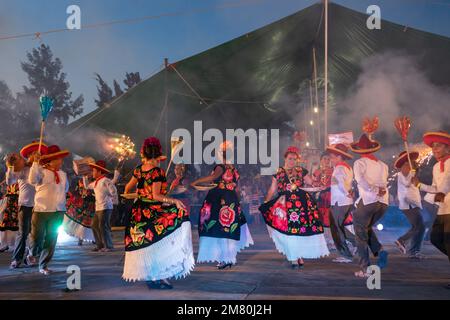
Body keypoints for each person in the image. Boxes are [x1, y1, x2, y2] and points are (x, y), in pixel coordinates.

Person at [122, 137, 194, 289]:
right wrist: (173, 201)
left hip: (138, 212)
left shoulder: (138, 169)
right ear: (157, 156)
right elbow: (156, 196)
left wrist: (137, 194)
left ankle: (151, 277)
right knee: (160, 244)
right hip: (153, 212)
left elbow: (127, 188)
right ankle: (159, 277)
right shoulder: (158, 172)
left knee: (150, 246)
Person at [260, 146, 329, 269]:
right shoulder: (278, 172)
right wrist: (266, 200)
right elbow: (272, 188)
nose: (292, 161)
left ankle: (299, 256)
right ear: (285, 158)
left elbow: (311, 183)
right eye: (290, 158)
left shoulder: (301, 170)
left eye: (295, 159)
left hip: (301, 204)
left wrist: (319, 183)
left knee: (298, 231)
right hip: (285, 206)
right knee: (289, 232)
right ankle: (293, 257)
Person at [192, 141, 254, 269]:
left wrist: (196, 181)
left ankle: (225, 259)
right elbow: (237, 188)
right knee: (227, 229)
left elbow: (213, 178)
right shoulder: (234, 169)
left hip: (219, 199)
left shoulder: (220, 166)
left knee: (219, 229)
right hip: (231, 199)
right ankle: (229, 258)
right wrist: (238, 202)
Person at [412, 131, 449, 289]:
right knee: (435, 238)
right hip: (443, 209)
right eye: (433, 146)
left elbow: (446, 183)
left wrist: (441, 192)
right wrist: (419, 185)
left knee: (448, 242)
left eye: (438, 146)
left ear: (447, 148)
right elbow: (435, 188)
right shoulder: (435, 166)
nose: (434, 149)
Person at [350, 134, 389, 278]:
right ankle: (379, 250)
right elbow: (384, 184)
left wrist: (374, 189)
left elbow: (360, 181)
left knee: (360, 234)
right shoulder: (383, 165)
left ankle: (365, 268)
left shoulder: (359, 163)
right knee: (365, 229)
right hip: (383, 203)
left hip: (368, 201)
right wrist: (378, 190)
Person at [28, 145, 70, 275]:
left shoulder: (63, 174)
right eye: (59, 159)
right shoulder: (40, 171)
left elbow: (66, 189)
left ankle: (43, 265)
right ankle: (32, 252)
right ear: (51, 160)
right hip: (41, 210)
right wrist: (35, 162)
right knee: (36, 238)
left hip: (58, 211)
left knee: (51, 239)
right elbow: (31, 180)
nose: (61, 161)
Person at [6, 142, 48, 268]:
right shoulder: (21, 169)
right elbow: (10, 181)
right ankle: (17, 259)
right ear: (28, 156)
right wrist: (10, 166)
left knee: (37, 234)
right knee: (23, 233)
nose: (36, 156)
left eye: (37, 154)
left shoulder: (41, 168)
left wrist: (37, 164)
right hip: (25, 205)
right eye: (33, 154)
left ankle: (31, 256)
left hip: (39, 206)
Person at [327, 144, 356, 263]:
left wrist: (347, 192)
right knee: (339, 227)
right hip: (346, 202)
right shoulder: (348, 167)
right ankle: (357, 243)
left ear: (339, 157)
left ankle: (346, 255)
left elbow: (340, 183)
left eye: (332, 157)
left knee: (336, 229)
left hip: (340, 201)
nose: (331, 159)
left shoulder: (339, 168)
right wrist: (348, 191)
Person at [394, 151, 426, 259]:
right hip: (409, 203)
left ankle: (414, 251)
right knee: (420, 226)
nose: (412, 163)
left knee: (418, 227)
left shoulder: (411, 171)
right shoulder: (402, 172)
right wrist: (412, 172)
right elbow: (407, 184)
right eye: (408, 162)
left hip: (413, 203)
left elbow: (414, 185)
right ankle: (404, 242)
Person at [83, 160, 118, 252]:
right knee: (94, 225)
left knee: (103, 226)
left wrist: (108, 197)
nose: (93, 172)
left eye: (94, 171)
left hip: (105, 207)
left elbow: (113, 191)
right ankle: (100, 245)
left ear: (100, 171)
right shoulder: (96, 182)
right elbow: (87, 186)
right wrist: (85, 177)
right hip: (98, 208)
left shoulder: (105, 180)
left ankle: (108, 246)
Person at [64, 178, 96, 245]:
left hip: (91, 204)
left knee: (89, 223)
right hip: (84, 205)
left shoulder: (92, 184)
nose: (80, 184)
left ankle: (93, 238)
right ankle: (81, 238)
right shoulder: (80, 185)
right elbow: (77, 195)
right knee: (82, 222)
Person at [0, 183, 19, 253]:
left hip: (17, 203)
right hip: (8, 202)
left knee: (16, 224)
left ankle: (16, 245)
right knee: (4, 224)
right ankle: (4, 245)